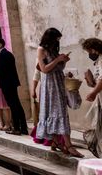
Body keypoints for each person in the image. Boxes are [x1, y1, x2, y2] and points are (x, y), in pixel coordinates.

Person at [36, 28, 82, 157]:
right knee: (58, 112)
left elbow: (58, 68)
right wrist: (57, 60)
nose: (57, 41)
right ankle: (69, 145)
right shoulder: (41, 50)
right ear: (50, 38)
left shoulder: (53, 50)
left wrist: (63, 62)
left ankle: (56, 142)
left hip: (59, 83)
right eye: (56, 39)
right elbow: (44, 69)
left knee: (59, 111)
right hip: (50, 85)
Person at [0, 38, 27, 135]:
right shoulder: (7, 54)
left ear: (0, 44)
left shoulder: (3, 54)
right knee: (17, 105)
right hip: (11, 83)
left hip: (7, 84)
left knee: (13, 105)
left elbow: (3, 70)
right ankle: (23, 127)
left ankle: (17, 128)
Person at [83, 38, 102, 157]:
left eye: (89, 51)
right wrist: (89, 80)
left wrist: (93, 93)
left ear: (94, 50)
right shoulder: (98, 60)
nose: (89, 54)